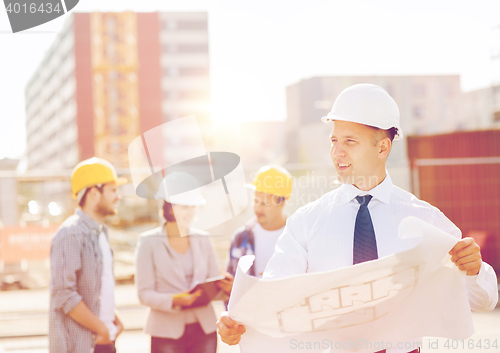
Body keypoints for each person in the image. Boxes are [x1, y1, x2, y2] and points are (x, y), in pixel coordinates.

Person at [217, 84, 499, 352]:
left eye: (350, 141)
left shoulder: (425, 220)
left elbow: (484, 301)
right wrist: (237, 320)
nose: (337, 152)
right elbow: (275, 296)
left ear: (382, 148)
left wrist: (474, 271)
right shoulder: (307, 222)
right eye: (334, 140)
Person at [135, 171, 232, 353]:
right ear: (170, 208)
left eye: (193, 207)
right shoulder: (148, 242)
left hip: (204, 329)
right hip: (166, 331)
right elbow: (144, 293)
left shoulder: (203, 239)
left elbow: (212, 286)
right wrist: (177, 301)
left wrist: (226, 289)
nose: (192, 212)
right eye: (185, 207)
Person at [49, 157, 127, 353]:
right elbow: (63, 293)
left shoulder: (100, 232)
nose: (118, 197)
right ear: (93, 193)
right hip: (83, 345)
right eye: (113, 190)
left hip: (102, 340)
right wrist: (101, 328)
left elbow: (96, 289)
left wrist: (113, 320)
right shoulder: (71, 234)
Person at [226, 165, 292, 278]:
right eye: (255, 201)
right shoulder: (240, 238)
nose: (257, 209)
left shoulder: (297, 236)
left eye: (264, 204)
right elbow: (230, 280)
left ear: (281, 203)